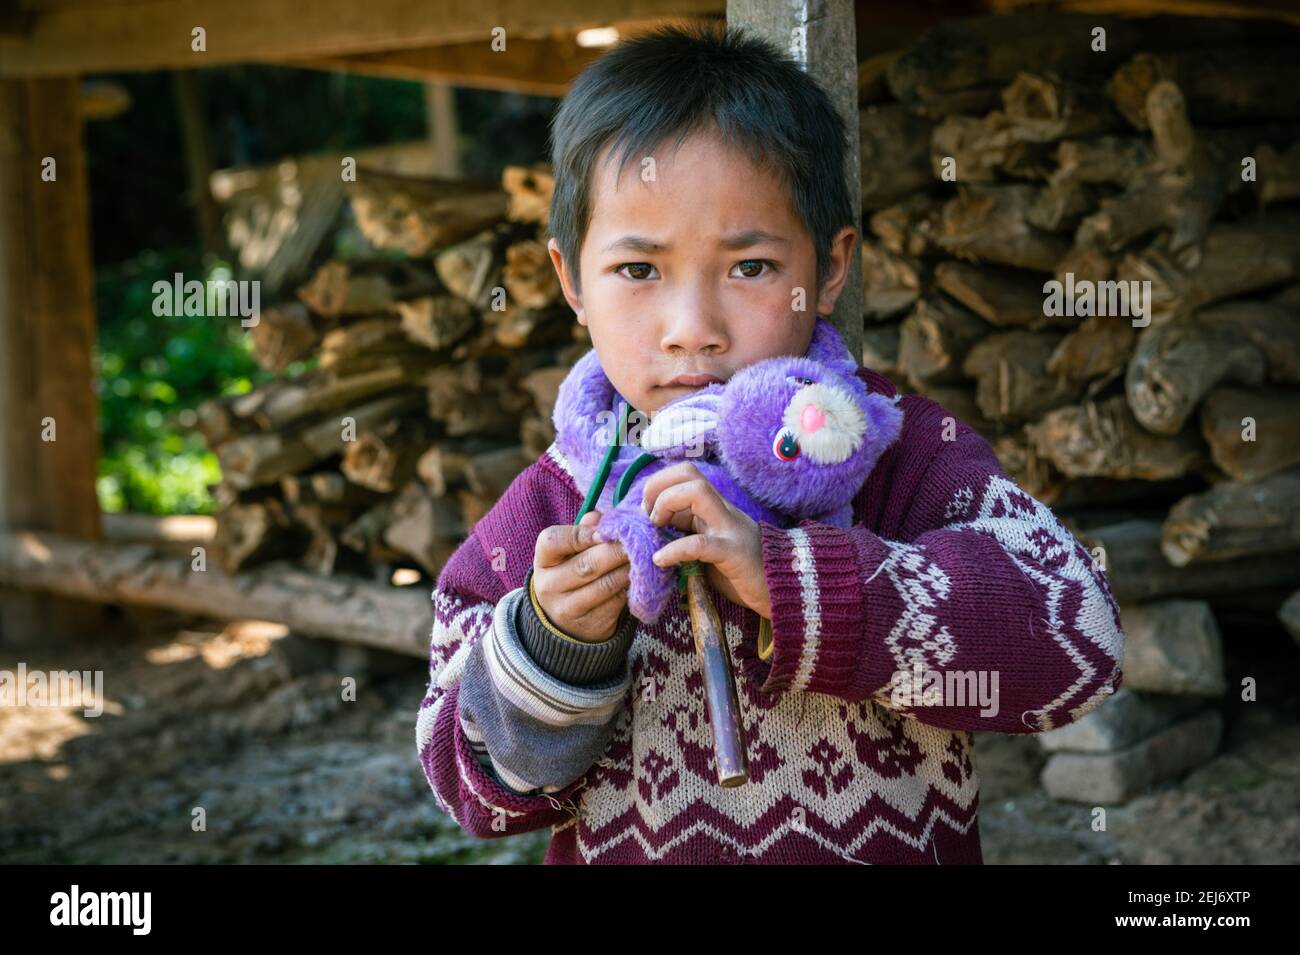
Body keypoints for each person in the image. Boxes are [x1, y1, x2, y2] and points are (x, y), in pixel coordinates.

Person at [415, 21, 1124, 864]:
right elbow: (474, 791)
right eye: (639, 270)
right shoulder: (551, 510)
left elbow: (1080, 640)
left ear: (829, 270)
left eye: (748, 266)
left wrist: (803, 586)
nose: (692, 330)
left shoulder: (901, 457)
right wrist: (555, 646)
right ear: (570, 280)